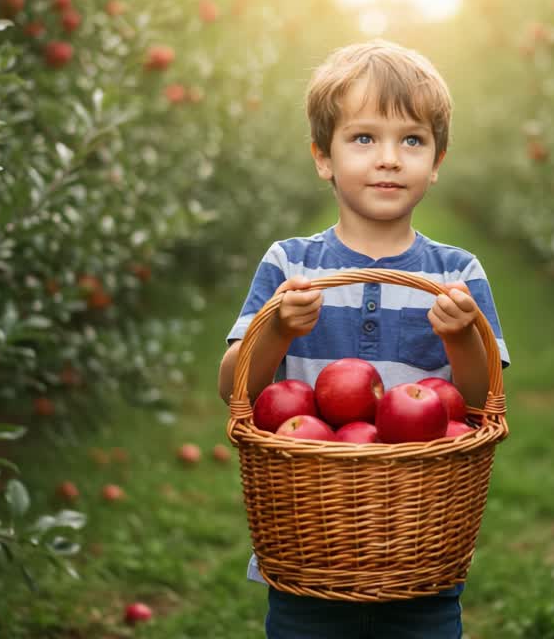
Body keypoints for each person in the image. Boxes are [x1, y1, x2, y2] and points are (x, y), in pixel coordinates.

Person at [217, 39, 511, 639]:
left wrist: (460, 341)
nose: (388, 159)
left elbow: (482, 401)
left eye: (411, 140)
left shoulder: (458, 274)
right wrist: (276, 327)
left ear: (436, 161)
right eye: (363, 139)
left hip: (422, 546)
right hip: (309, 540)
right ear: (323, 158)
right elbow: (235, 389)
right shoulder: (290, 266)